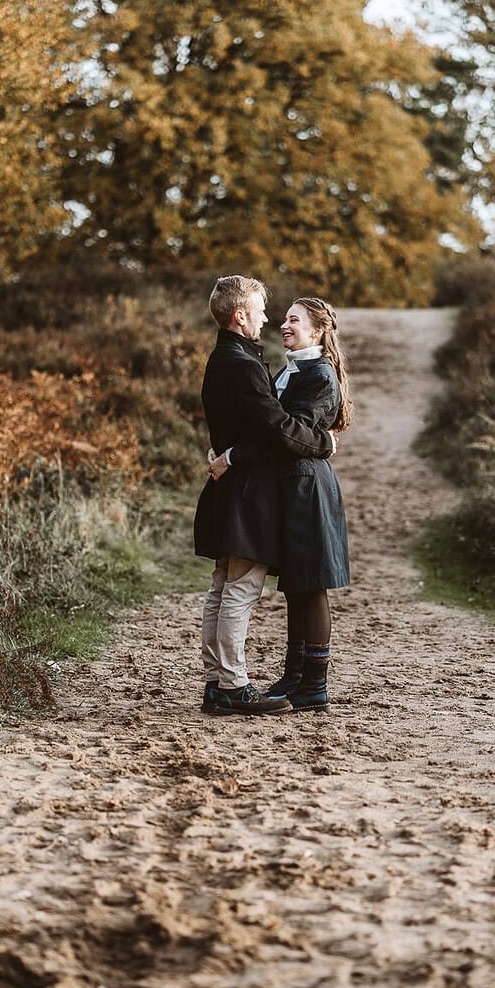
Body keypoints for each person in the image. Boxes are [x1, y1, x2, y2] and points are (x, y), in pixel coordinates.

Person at [194, 276, 336, 717]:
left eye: (290, 318)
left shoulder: (227, 357)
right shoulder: (243, 363)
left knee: (223, 587)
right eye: (261, 309)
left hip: (235, 486)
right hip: (247, 491)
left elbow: (263, 425)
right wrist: (324, 443)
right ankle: (232, 685)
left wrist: (228, 452)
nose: (268, 319)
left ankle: (219, 682)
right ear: (240, 315)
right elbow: (277, 429)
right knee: (238, 589)